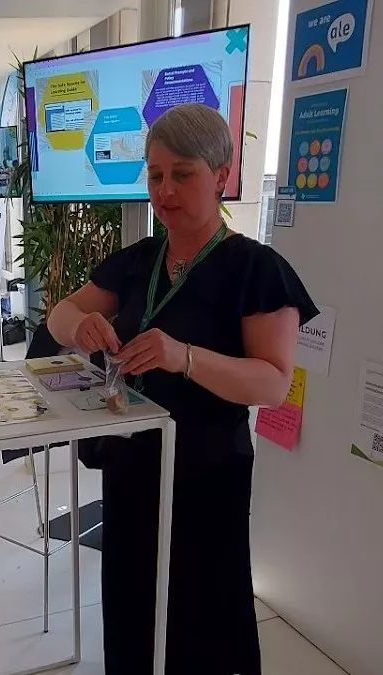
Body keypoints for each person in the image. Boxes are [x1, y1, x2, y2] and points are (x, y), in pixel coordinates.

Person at [47, 103, 319, 675]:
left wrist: (184, 357)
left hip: (206, 472)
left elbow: (272, 382)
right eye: (155, 175)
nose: (164, 190)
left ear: (222, 176)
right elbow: (59, 315)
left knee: (203, 612)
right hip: (133, 464)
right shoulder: (139, 260)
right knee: (130, 603)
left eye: (182, 173)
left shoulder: (257, 269)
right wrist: (81, 327)